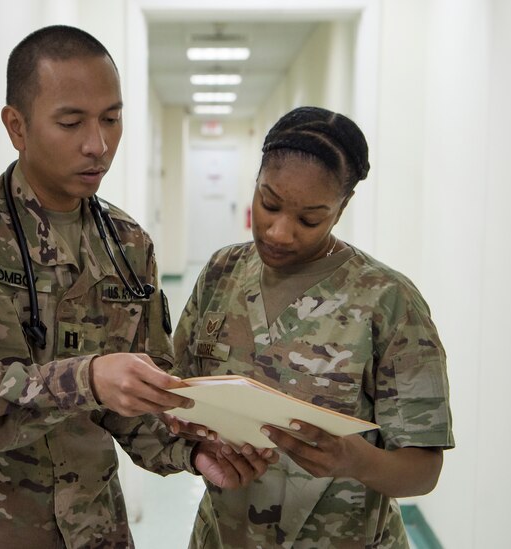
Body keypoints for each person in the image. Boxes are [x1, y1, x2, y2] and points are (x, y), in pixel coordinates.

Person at [0, 25, 272, 549]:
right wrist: (86, 379)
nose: (98, 145)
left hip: (95, 530)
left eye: (112, 119)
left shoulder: (128, 245)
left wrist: (193, 452)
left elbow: (140, 400)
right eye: (71, 122)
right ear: (16, 126)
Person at [172, 106, 454, 548]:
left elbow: (423, 471)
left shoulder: (387, 301)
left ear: (341, 208)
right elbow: (179, 394)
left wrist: (355, 460)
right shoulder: (222, 273)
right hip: (225, 535)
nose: (280, 232)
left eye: (309, 219)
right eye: (268, 203)